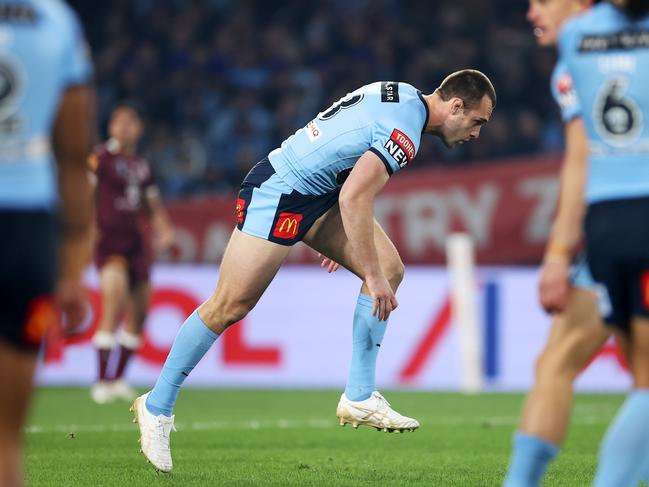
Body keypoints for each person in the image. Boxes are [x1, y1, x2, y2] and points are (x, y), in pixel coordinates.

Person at [130, 70, 496, 472]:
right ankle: (156, 406)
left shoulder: (402, 94)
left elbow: (345, 152)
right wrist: (367, 274)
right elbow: (356, 196)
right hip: (280, 193)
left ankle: (359, 395)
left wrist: (349, 241)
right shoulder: (405, 133)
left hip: (318, 194)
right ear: (456, 106)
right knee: (230, 305)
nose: (476, 133)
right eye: (478, 122)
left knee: (390, 268)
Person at [502, 1, 612, 486]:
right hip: (622, 228)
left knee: (558, 361)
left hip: (624, 222)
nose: (531, 13)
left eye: (543, 0)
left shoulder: (580, 58)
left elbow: (580, 162)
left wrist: (557, 255)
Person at [552, 0, 649, 485]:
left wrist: (558, 251)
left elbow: (577, 156)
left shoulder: (575, 37)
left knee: (642, 380)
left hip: (606, 222)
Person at [0, 1, 95, 486]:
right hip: (25, 232)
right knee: (5, 442)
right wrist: (72, 273)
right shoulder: (55, 20)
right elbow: (73, 157)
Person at [89, 103, 175, 404]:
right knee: (113, 302)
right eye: (119, 123)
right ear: (111, 128)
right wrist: (86, 229)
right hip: (109, 242)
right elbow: (86, 196)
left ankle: (117, 379)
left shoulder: (141, 165)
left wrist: (164, 230)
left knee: (139, 312)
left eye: (130, 123)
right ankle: (101, 381)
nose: (125, 128)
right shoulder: (99, 159)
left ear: (138, 129)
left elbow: (153, 205)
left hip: (136, 243)